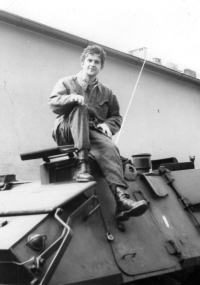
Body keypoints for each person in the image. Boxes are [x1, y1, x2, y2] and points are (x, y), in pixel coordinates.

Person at [49, 45, 148, 222]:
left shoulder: (107, 93)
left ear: (101, 66)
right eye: (89, 60)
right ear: (82, 62)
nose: (92, 64)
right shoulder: (67, 83)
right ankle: (83, 166)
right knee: (80, 109)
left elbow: (116, 116)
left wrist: (108, 126)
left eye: (97, 62)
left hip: (91, 132)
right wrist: (70, 98)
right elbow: (54, 104)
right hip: (66, 130)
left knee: (110, 147)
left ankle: (122, 200)